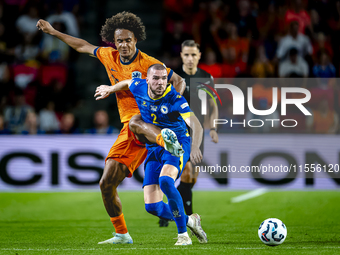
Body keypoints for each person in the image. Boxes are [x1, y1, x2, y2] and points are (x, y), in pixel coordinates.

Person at [37, 11, 185, 244]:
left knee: (137, 121)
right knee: (106, 184)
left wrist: (167, 105)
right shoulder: (109, 56)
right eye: (119, 41)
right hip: (131, 130)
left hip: (151, 123)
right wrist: (53, 32)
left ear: (136, 39)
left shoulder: (149, 63)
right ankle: (122, 234)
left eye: (128, 40)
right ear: (113, 43)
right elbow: (83, 46)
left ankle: (167, 141)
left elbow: (179, 81)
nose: (124, 44)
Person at [95, 64, 207, 245]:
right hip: (154, 147)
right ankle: (190, 220)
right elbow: (127, 82)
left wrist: (195, 147)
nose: (160, 82)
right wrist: (110, 88)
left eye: (164, 78)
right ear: (147, 80)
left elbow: (196, 125)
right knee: (153, 207)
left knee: (165, 181)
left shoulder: (175, 99)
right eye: (156, 78)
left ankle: (183, 235)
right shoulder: (139, 86)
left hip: (177, 144)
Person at [173, 40, 219, 221]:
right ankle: (189, 218)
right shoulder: (175, 78)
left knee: (191, 180)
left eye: (193, 55)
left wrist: (213, 128)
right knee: (187, 173)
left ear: (199, 56)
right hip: (179, 131)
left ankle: (170, 206)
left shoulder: (207, 78)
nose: (190, 58)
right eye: (186, 55)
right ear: (181, 56)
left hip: (198, 134)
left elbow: (213, 106)